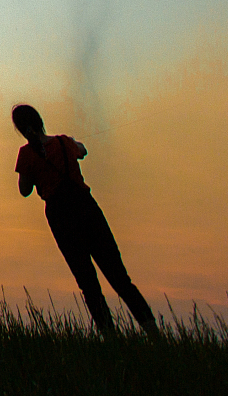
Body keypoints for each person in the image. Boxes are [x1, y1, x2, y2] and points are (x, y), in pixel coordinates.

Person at [11, 103, 160, 337]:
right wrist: (72, 144)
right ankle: (154, 333)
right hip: (86, 208)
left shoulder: (26, 154)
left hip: (60, 217)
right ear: (40, 120)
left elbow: (24, 190)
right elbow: (83, 150)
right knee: (119, 277)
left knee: (88, 283)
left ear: (19, 128)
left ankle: (110, 339)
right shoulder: (63, 142)